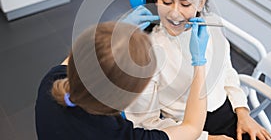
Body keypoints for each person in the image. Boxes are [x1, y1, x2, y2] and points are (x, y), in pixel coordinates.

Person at [124, 0, 271, 140]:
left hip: (227, 112)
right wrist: (206, 138)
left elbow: (226, 71)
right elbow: (146, 123)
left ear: (201, 2)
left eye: (186, 3)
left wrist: (243, 112)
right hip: (180, 127)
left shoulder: (210, 27)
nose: (175, 13)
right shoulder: (145, 52)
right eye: (166, 1)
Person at [35, 21, 209, 140]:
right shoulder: (118, 135)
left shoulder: (50, 81)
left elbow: (80, 56)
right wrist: (199, 62)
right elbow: (192, 128)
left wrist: (114, 36)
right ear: (127, 100)